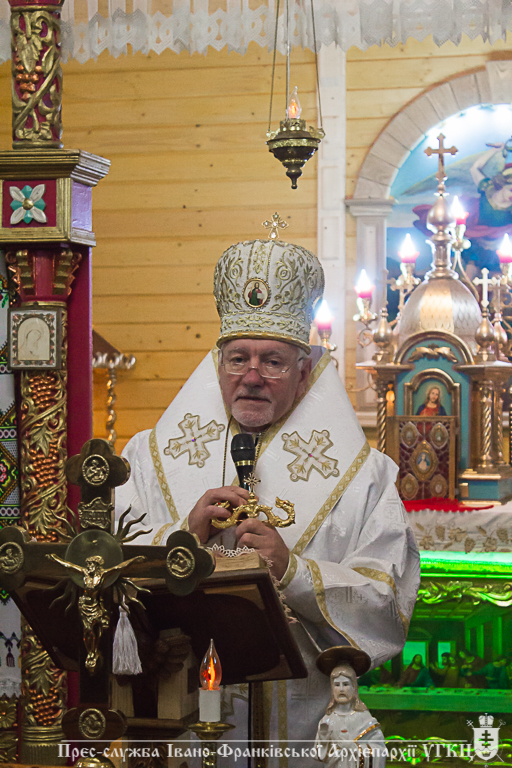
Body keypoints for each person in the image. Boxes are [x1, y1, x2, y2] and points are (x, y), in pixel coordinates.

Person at [115, 235, 420, 759]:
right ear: (217, 366)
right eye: (238, 359)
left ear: (304, 372)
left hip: (304, 728)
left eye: (273, 362)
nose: (252, 377)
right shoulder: (148, 457)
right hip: (182, 723)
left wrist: (294, 571)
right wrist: (182, 539)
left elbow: (388, 604)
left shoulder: (365, 477)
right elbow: (107, 569)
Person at [315, 648, 385, 768]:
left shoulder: (364, 719)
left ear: (354, 687)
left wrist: (353, 747)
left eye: (346, 684)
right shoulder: (327, 720)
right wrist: (323, 739)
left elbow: (379, 750)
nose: (341, 689)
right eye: (337, 685)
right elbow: (319, 756)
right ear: (332, 689)